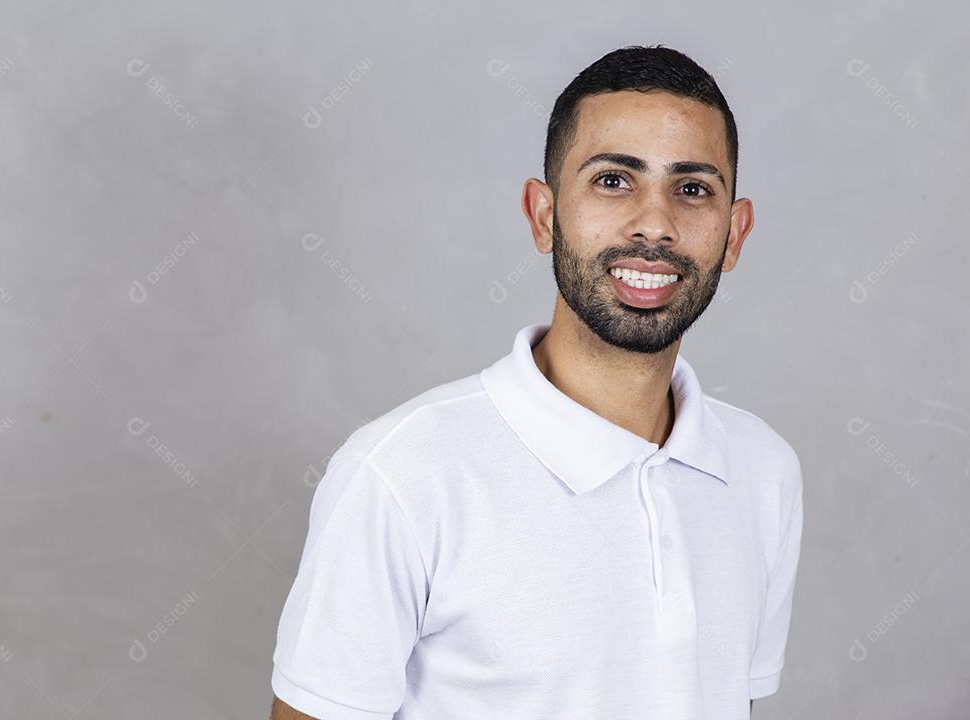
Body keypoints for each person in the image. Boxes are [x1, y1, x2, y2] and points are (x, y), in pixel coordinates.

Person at [270, 44, 804, 720]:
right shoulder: (401, 476)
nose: (655, 225)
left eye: (692, 188)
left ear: (734, 233)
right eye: (614, 180)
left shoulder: (765, 472)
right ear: (544, 216)